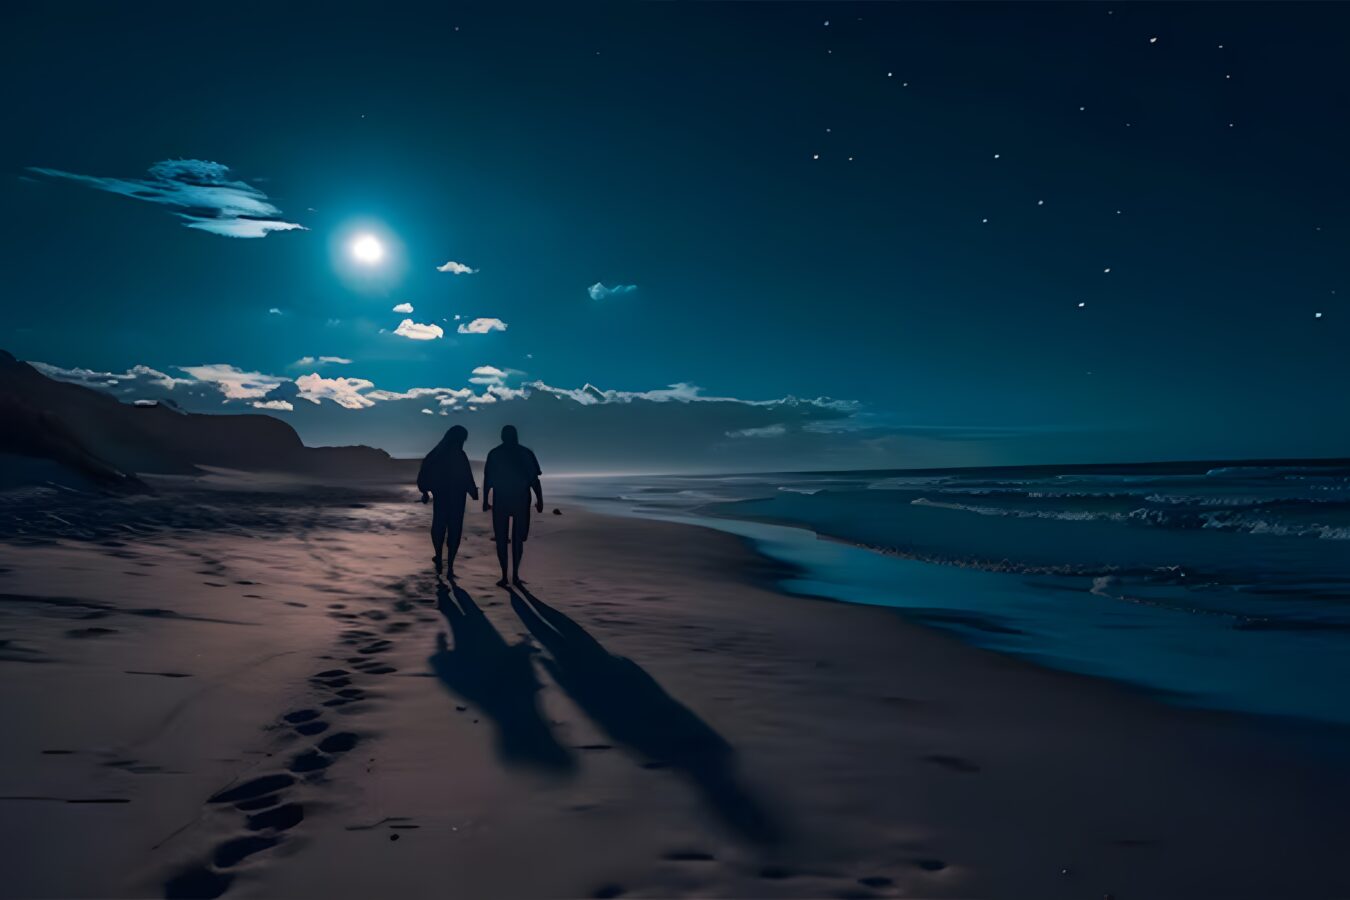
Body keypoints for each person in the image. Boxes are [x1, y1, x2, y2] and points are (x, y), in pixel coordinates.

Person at [482, 425, 543, 587]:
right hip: (520, 500)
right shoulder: (525, 453)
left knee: (502, 539)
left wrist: (484, 501)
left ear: (502, 436)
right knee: (517, 539)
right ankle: (514, 575)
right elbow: (534, 480)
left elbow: (488, 480)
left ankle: (505, 576)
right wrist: (540, 499)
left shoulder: (495, 454)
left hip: (502, 500)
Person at [417, 425, 478, 578]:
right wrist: (473, 492)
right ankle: (450, 565)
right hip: (457, 498)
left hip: (441, 496)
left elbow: (424, 471)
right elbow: (467, 476)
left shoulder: (437, 453)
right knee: (455, 530)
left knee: (438, 526)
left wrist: (425, 491)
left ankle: (438, 555)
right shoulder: (460, 455)